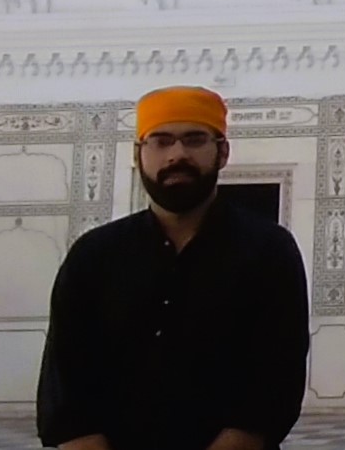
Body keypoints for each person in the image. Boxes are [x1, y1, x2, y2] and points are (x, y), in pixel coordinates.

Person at [36, 85, 310, 450]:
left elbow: (273, 384)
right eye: (161, 141)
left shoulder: (268, 251)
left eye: (194, 140)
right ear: (139, 154)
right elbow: (67, 385)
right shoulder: (94, 256)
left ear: (222, 151)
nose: (178, 154)